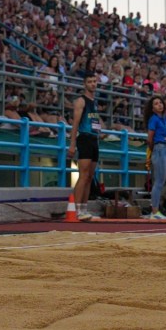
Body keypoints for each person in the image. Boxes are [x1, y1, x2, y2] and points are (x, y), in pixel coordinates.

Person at [68, 72, 101, 221]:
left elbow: (95, 121)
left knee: (90, 177)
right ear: (85, 84)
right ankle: (77, 209)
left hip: (94, 138)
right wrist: (72, 144)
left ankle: (84, 208)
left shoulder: (94, 102)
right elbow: (75, 123)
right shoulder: (81, 101)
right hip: (84, 138)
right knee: (83, 174)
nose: (93, 84)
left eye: (94, 81)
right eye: (90, 81)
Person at [143, 95, 166, 220]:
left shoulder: (165, 119)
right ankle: (154, 211)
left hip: (165, 149)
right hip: (159, 148)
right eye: (156, 104)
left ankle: (156, 210)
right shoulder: (154, 119)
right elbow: (149, 138)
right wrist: (152, 149)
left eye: (160, 102)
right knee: (159, 182)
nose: (159, 105)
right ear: (152, 108)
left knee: (162, 181)